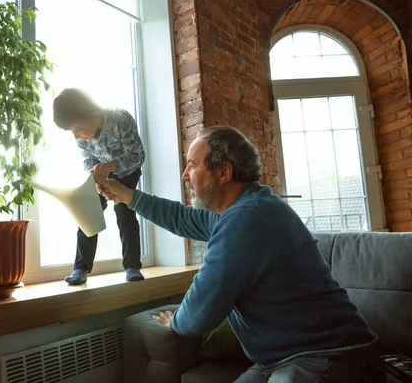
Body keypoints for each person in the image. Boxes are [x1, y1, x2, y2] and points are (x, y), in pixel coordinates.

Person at [98, 126, 385, 382]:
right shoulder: (244, 210)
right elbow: (182, 218)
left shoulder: (247, 219)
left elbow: (199, 313)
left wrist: (176, 320)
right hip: (279, 359)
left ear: (224, 172)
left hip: (332, 354)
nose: (185, 175)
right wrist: (125, 195)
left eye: (192, 165)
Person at [52, 88, 145, 285]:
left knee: (124, 213)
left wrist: (111, 166)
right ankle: (81, 268)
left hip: (127, 171)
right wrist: (94, 176)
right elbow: (88, 159)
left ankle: (132, 266)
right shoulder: (82, 138)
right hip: (100, 174)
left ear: (94, 115)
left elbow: (137, 155)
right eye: (72, 132)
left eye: (78, 130)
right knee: (88, 212)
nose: (76, 137)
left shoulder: (121, 119)